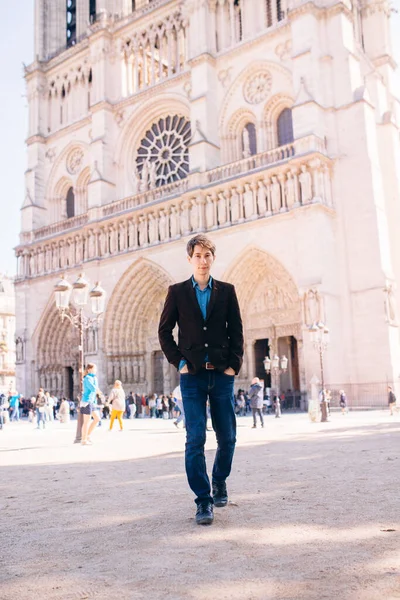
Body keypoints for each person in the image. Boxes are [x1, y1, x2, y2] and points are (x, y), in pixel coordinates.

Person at [159, 234, 244, 526]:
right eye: (197, 255)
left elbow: (237, 331)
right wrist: (179, 362)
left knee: (228, 438)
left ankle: (219, 480)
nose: (203, 260)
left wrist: (234, 366)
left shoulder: (227, 291)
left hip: (221, 374)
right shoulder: (178, 291)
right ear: (190, 259)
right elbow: (164, 331)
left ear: (213, 258)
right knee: (195, 439)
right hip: (192, 376)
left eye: (207, 255)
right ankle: (203, 500)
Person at [80, 363, 101, 445]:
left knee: (97, 419)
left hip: (92, 401)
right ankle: (84, 440)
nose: (96, 370)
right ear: (89, 369)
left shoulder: (93, 378)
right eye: (94, 369)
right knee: (86, 422)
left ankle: (87, 435)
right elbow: (93, 388)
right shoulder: (87, 378)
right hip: (87, 401)